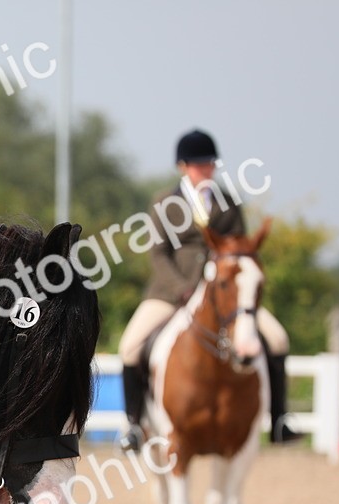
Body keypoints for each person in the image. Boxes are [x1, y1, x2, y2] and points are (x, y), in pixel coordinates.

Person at [118, 129, 301, 451]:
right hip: (171, 293)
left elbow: (241, 249)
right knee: (129, 347)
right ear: (183, 166)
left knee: (277, 339)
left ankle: (279, 420)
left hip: (224, 297)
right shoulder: (165, 203)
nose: (206, 170)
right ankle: (133, 425)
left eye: (210, 164)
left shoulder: (228, 203)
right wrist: (181, 288)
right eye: (199, 164)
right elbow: (158, 254)